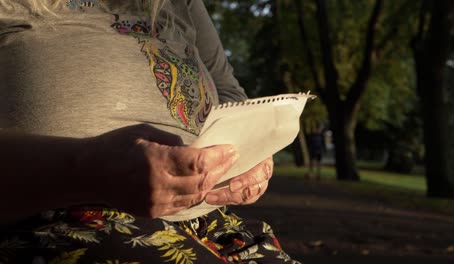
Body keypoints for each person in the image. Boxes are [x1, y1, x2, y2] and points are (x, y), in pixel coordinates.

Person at [0, 0, 300, 263]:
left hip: (213, 227)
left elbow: (228, 90)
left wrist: (250, 149)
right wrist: (88, 169)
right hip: (63, 224)